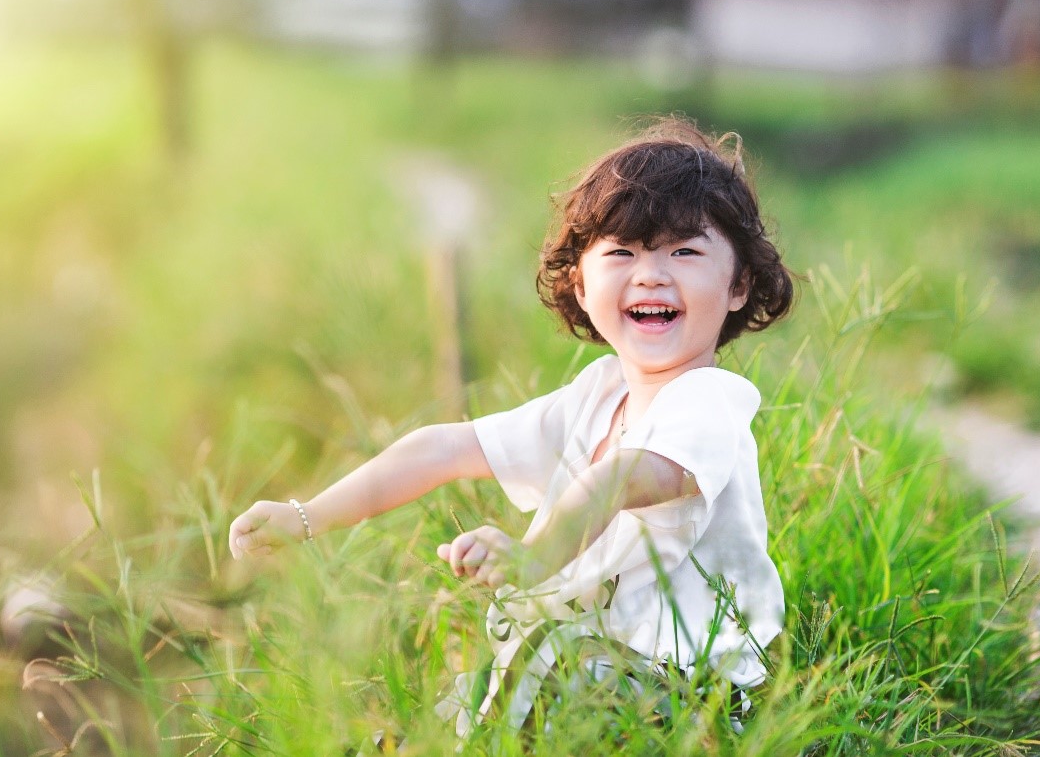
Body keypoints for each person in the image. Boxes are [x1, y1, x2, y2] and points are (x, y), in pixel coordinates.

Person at [227, 115, 796, 740]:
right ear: (579, 283)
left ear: (739, 284)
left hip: (697, 693)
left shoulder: (709, 400)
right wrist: (306, 516)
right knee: (491, 668)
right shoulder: (597, 395)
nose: (651, 275)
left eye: (684, 251)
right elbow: (444, 447)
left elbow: (622, 478)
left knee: (545, 649)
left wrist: (532, 559)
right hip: (597, 670)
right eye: (622, 253)